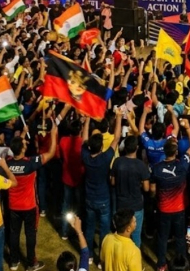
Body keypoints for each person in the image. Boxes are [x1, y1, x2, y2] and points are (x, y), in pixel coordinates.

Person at [6, 122, 58, 271]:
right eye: (24, 144)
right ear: (22, 149)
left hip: (13, 206)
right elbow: (51, 153)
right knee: (30, 235)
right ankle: (31, 262)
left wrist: (23, 133)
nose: (26, 143)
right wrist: (53, 135)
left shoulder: (7, 164)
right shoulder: (30, 164)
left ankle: (14, 261)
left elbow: (14, 149)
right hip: (29, 206)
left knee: (14, 234)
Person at [150, 116, 190, 271]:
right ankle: (181, 263)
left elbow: (152, 190)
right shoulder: (182, 164)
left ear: (164, 151)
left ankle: (161, 265)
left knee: (163, 237)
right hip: (179, 209)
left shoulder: (156, 168)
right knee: (179, 237)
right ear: (176, 152)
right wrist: (188, 128)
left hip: (163, 209)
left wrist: (156, 198)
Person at [81, 114, 121, 265]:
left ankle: (89, 255)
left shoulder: (86, 156)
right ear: (101, 147)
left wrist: (87, 120)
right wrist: (118, 118)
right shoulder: (105, 158)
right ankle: (102, 259)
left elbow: (84, 139)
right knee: (104, 230)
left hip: (89, 198)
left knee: (90, 227)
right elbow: (116, 138)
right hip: (103, 199)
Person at [111, 135, 149, 248]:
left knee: (120, 234)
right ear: (136, 148)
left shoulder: (118, 162)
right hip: (136, 206)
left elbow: (112, 182)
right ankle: (135, 256)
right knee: (136, 236)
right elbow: (146, 188)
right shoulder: (141, 165)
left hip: (121, 205)